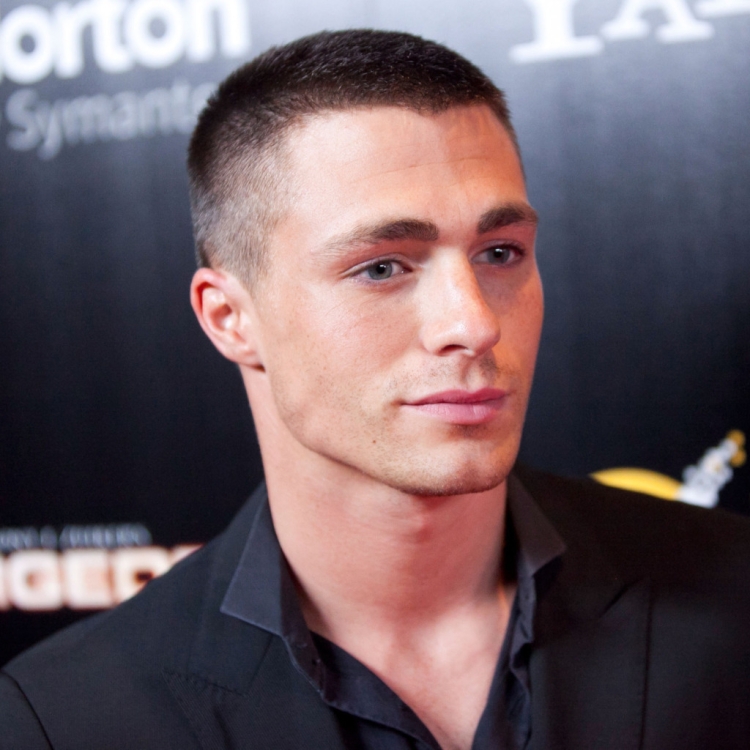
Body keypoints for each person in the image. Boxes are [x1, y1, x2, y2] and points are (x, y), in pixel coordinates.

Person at [2, 29, 750, 750]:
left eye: (499, 252)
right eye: (382, 267)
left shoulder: (735, 589)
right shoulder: (67, 719)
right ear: (231, 318)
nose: (474, 324)